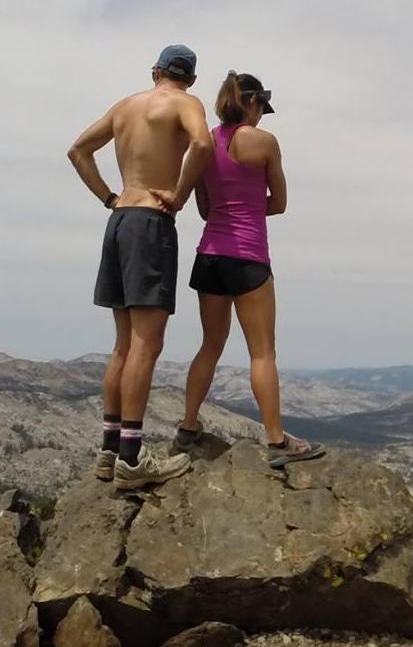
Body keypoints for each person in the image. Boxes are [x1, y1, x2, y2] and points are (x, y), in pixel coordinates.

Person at [67, 43, 212, 488]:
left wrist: (109, 197)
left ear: (156, 71)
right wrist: (181, 194)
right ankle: (132, 457)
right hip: (151, 220)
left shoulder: (125, 106)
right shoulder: (186, 103)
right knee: (147, 344)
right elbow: (203, 143)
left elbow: (77, 151)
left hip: (120, 219)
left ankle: (110, 451)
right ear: (189, 78)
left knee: (123, 344)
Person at [178, 71, 324, 467]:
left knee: (210, 345)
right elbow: (279, 202)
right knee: (262, 353)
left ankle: (188, 427)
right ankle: (276, 442)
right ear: (253, 102)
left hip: (209, 255)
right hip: (248, 256)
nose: (263, 117)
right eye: (262, 108)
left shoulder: (204, 141)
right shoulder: (264, 143)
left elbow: (205, 208)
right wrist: (247, 205)